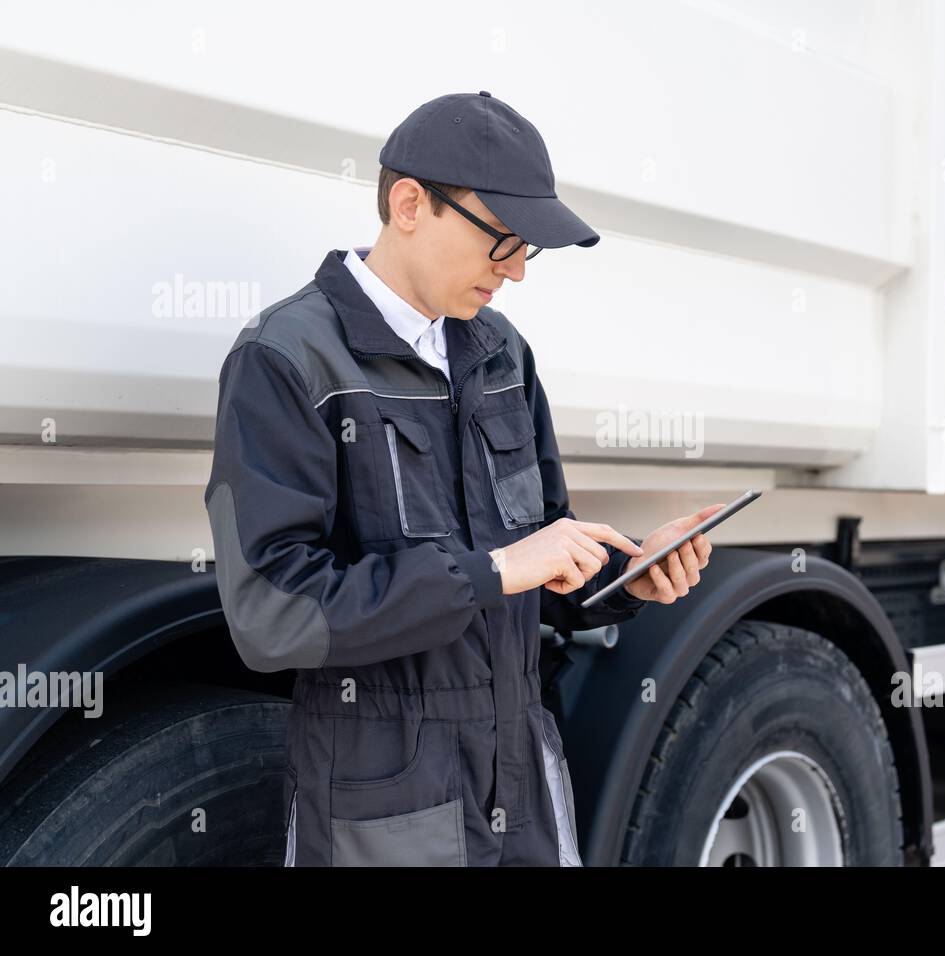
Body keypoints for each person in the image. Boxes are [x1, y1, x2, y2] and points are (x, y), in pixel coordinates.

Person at [204, 91, 720, 866]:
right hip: (385, 798)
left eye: (526, 250)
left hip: (523, 785)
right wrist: (492, 571)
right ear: (410, 203)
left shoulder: (502, 353)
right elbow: (273, 613)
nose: (514, 272)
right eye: (502, 242)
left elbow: (541, 554)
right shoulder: (289, 358)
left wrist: (627, 575)